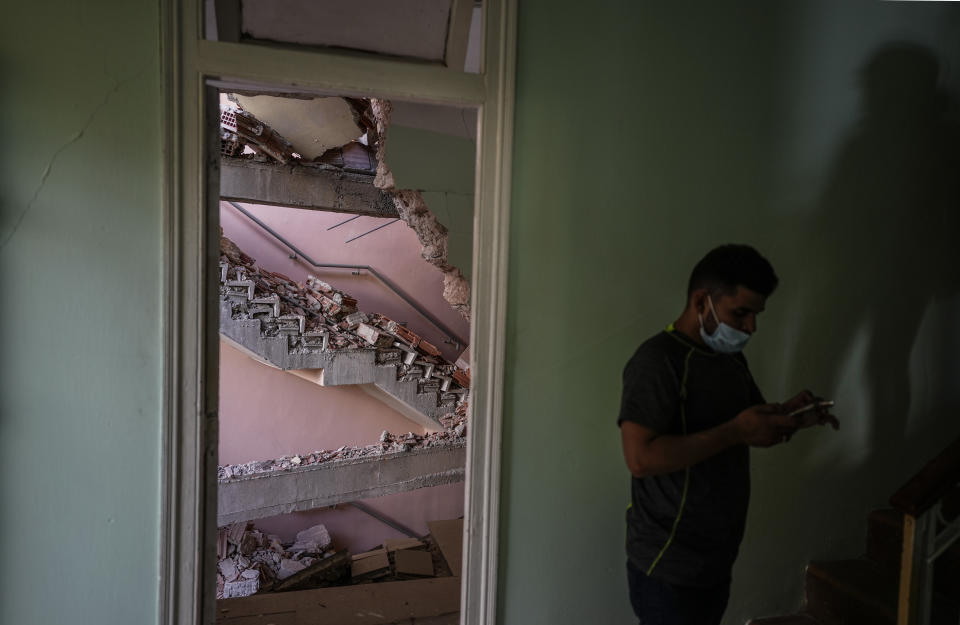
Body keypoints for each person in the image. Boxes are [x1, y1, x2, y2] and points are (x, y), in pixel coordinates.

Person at [617, 244, 838, 625]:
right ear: (701, 301)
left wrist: (791, 416)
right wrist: (736, 432)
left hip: (716, 558)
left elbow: (750, 425)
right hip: (667, 564)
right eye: (741, 313)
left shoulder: (730, 360)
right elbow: (640, 458)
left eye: (755, 314)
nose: (751, 326)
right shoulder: (657, 361)